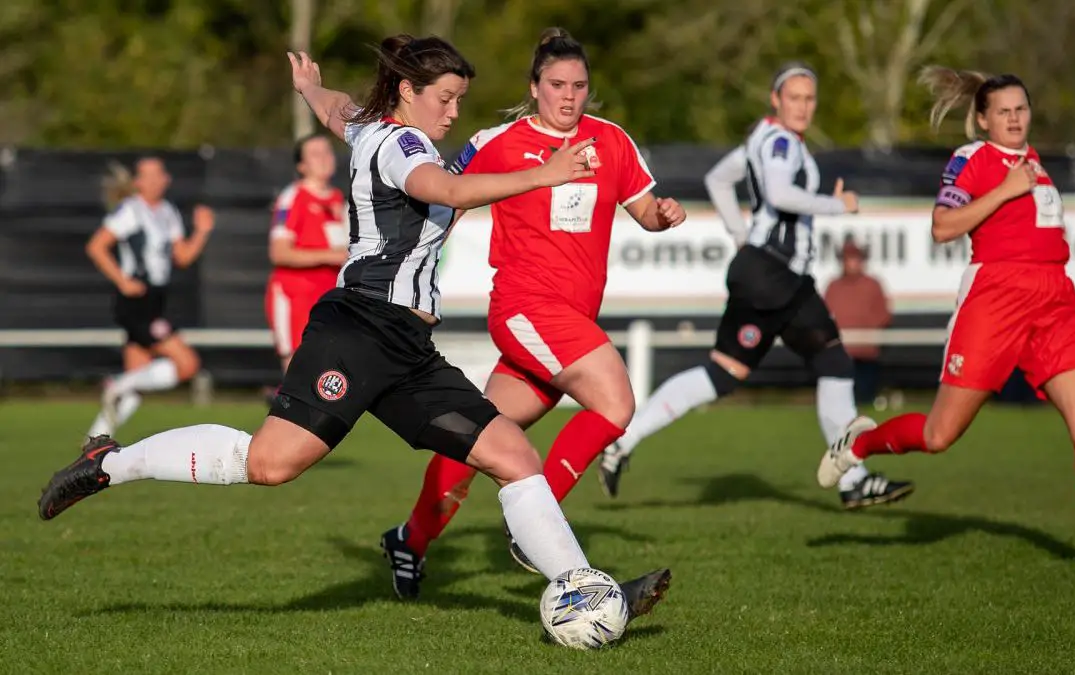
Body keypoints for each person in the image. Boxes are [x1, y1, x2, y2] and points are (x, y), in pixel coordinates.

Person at [39, 37, 671, 618]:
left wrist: (311, 88)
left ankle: (583, 588)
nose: (453, 113)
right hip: (358, 331)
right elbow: (441, 191)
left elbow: (340, 108)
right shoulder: (402, 146)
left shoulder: (372, 126)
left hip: (409, 350)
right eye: (445, 99)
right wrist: (543, 173)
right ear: (408, 92)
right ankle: (112, 462)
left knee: (514, 457)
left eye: (460, 100)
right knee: (270, 464)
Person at [817, 66, 1075, 585]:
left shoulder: (1036, 165)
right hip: (995, 300)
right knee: (939, 436)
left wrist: (1019, 184)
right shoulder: (973, 160)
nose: (1014, 118)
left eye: (1021, 109)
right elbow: (942, 227)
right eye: (1002, 111)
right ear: (981, 119)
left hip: (1055, 301)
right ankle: (860, 444)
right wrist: (1004, 190)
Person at [382, 28, 686, 596]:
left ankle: (409, 539)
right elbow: (443, 196)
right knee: (616, 400)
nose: (568, 97)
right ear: (534, 87)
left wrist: (663, 215)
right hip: (526, 310)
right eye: (556, 85)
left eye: (578, 85)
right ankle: (535, 527)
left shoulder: (611, 141)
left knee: (477, 438)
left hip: (569, 320)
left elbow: (643, 210)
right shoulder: (498, 141)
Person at [596, 62, 913, 511]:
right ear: (775, 99)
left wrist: (743, 238)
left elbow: (716, 180)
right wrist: (836, 205)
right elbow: (782, 195)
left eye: (809, 98)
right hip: (776, 275)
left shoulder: (762, 138)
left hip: (763, 272)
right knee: (834, 363)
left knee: (724, 373)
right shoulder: (781, 142)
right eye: (795, 98)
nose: (803, 106)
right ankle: (854, 478)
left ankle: (622, 443)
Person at [84, 157, 213, 439]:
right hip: (137, 300)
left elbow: (183, 257)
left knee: (137, 386)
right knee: (187, 365)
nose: (155, 180)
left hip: (157, 298)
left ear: (166, 179)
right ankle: (116, 383)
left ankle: (93, 441)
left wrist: (202, 231)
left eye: (160, 174)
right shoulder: (130, 211)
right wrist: (123, 281)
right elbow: (96, 247)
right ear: (137, 182)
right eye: (148, 175)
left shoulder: (168, 212)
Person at [265, 133, 349, 379]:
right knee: (298, 372)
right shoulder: (293, 198)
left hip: (329, 296)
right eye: (315, 154)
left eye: (327, 152)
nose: (324, 158)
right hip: (295, 296)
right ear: (301, 166)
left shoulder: (337, 199)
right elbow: (279, 252)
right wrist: (331, 255)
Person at [823, 239, 892, 405]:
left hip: (866, 354)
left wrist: (868, 330)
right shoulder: (834, 286)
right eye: (848, 258)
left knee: (864, 398)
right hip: (841, 354)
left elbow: (884, 314)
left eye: (856, 258)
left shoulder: (872, 285)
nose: (852, 263)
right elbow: (825, 315)